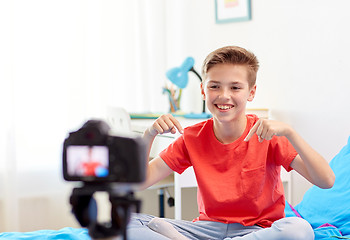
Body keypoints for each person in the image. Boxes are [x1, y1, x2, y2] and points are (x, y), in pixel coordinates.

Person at [127, 46, 335, 240]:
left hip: (257, 231)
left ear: (251, 92)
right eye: (215, 86)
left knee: (299, 229)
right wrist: (149, 134)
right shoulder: (192, 137)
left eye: (235, 87)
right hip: (207, 228)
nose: (224, 96)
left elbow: (327, 180)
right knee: (128, 222)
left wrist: (290, 133)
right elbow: (139, 183)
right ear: (203, 90)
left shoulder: (267, 135)